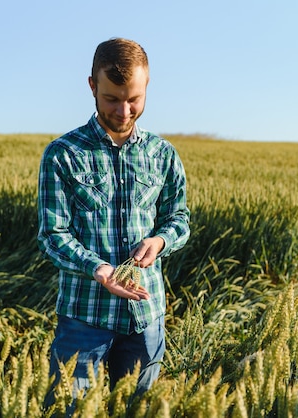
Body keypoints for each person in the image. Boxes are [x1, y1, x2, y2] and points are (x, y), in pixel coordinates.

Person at [37, 37, 190, 406]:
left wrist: (161, 241)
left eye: (133, 99)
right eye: (112, 98)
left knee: (139, 411)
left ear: (147, 85)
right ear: (92, 85)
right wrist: (101, 270)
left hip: (146, 317)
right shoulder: (63, 155)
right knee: (67, 410)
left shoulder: (163, 154)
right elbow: (53, 235)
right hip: (84, 319)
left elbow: (178, 218)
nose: (124, 111)